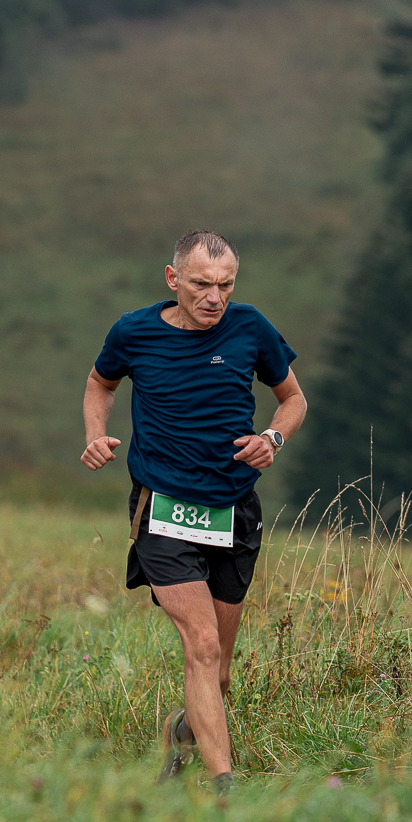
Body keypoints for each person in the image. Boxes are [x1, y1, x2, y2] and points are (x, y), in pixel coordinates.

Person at [80, 231, 307, 792]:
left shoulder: (250, 327)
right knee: (201, 645)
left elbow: (293, 399)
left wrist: (273, 440)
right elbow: (100, 383)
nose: (215, 298)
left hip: (234, 509)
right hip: (162, 508)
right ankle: (224, 790)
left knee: (219, 673)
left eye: (226, 285)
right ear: (172, 277)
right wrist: (95, 434)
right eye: (202, 284)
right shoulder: (133, 331)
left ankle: (182, 732)